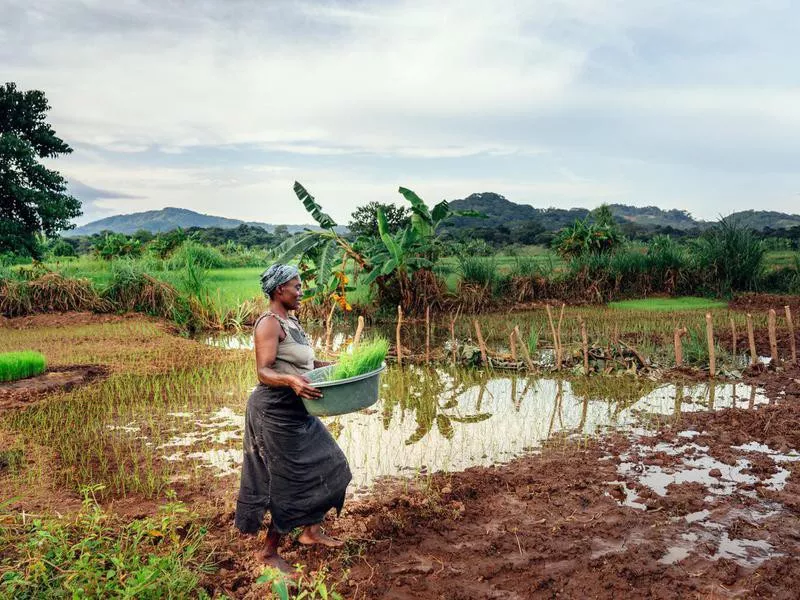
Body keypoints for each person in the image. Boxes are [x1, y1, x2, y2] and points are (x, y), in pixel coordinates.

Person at [235, 264, 352, 573]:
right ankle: (268, 552)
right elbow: (264, 371)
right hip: (273, 410)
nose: (301, 292)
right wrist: (291, 381)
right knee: (290, 482)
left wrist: (338, 367)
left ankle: (311, 532)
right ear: (279, 291)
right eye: (296, 287)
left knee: (332, 464)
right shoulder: (268, 324)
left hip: (299, 407)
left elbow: (307, 363)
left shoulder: (293, 321)